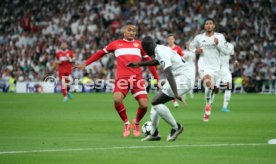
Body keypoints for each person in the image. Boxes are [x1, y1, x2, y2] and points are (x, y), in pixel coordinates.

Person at [75, 23, 159, 137]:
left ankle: (136, 122)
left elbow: (150, 62)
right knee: (117, 99)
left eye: (134, 31)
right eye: (129, 30)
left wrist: (157, 78)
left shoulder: (139, 45)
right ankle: (126, 123)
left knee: (144, 105)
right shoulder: (115, 44)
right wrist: (86, 63)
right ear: (124, 31)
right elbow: (100, 53)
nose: (132, 33)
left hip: (137, 80)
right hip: (122, 79)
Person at [127, 36, 194, 142]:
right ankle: (154, 133)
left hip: (184, 77)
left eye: (143, 49)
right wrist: (139, 64)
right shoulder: (159, 50)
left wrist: (176, 94)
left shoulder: (161, 51)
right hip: (181, 76)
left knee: (156, 102)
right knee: (155, 104)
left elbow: (169, 73)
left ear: (146, 46)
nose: (144, 51)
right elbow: (156, 62)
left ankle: (176, 127)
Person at [189, 18, 226, 122]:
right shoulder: (199, 38)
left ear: (214, 26)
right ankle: (211, 97)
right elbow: (190, 47)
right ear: (204, 26)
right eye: (207, 24)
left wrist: (218, 44)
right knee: (208, 83)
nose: (208, 25)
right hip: (204, 65)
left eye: (210, 24)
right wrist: (196, 50)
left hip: (216, 67)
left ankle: (208, 104)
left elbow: (226, 51)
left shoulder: (220, 37)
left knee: (210, 89)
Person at [218, 29, 237, 112]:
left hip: (225, 69)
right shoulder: (214, 45)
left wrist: (235, 61)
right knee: (212, 89)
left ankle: (224, 107)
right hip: (216, 70)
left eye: (223, 35)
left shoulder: (230, 46)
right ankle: (209, 104)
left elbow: (233, 54)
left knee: (228, 87)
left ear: (225, 36)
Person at [166, 34, 184, 108]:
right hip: (169, 68)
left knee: (178, 84)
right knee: (171, 85)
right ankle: (174, 101)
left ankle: (177, 97)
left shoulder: (178, 48)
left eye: (172, 39)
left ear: (174, 40)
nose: (170, 40)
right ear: (167, 40)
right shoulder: (165, 48)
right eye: (169, 39)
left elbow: (182, 57)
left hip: (178, 68)